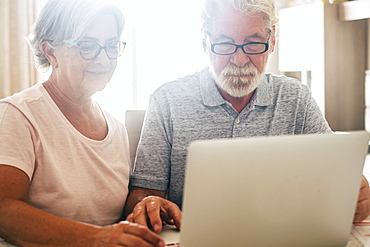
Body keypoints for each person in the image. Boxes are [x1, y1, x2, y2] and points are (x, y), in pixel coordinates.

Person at [124, 0, 370, 233]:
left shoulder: (296, 99)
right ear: (204, 42)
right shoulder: (167, 101)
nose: (240, 60)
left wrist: (352, 196)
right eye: (224, 44)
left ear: (272, 40)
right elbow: (141, 195)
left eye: (253, 44)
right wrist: (147, 204)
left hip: (283, 235)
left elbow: (333, 179)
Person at [0, 0, 164, 246]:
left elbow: (112, 215)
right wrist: (95, 238)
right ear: (50, 52)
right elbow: (4, 210)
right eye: (87, 46)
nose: (104, 59)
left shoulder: (116, 127)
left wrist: (146, 206)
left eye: (111, 46)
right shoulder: (17, 114)